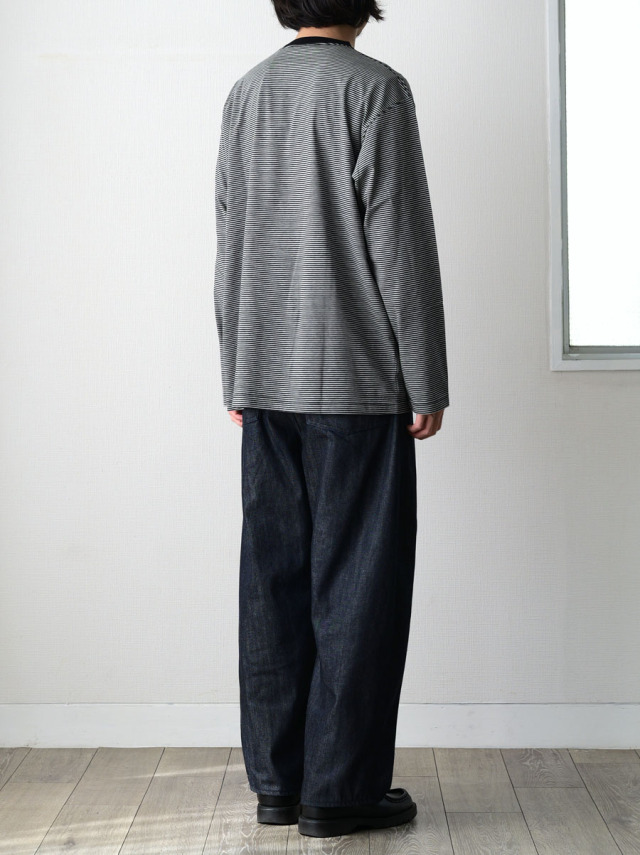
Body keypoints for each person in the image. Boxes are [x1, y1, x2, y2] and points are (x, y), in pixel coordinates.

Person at [214, 0, 449, 839]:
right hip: (354, 381)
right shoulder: (375, 90)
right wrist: (425, 378)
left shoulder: (247, 91)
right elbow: (400, 242)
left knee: (272, 583)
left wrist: (235, 369)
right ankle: (339, 791)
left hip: (265, 377)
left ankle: (278, 784)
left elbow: (230, 234)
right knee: (358, 585)